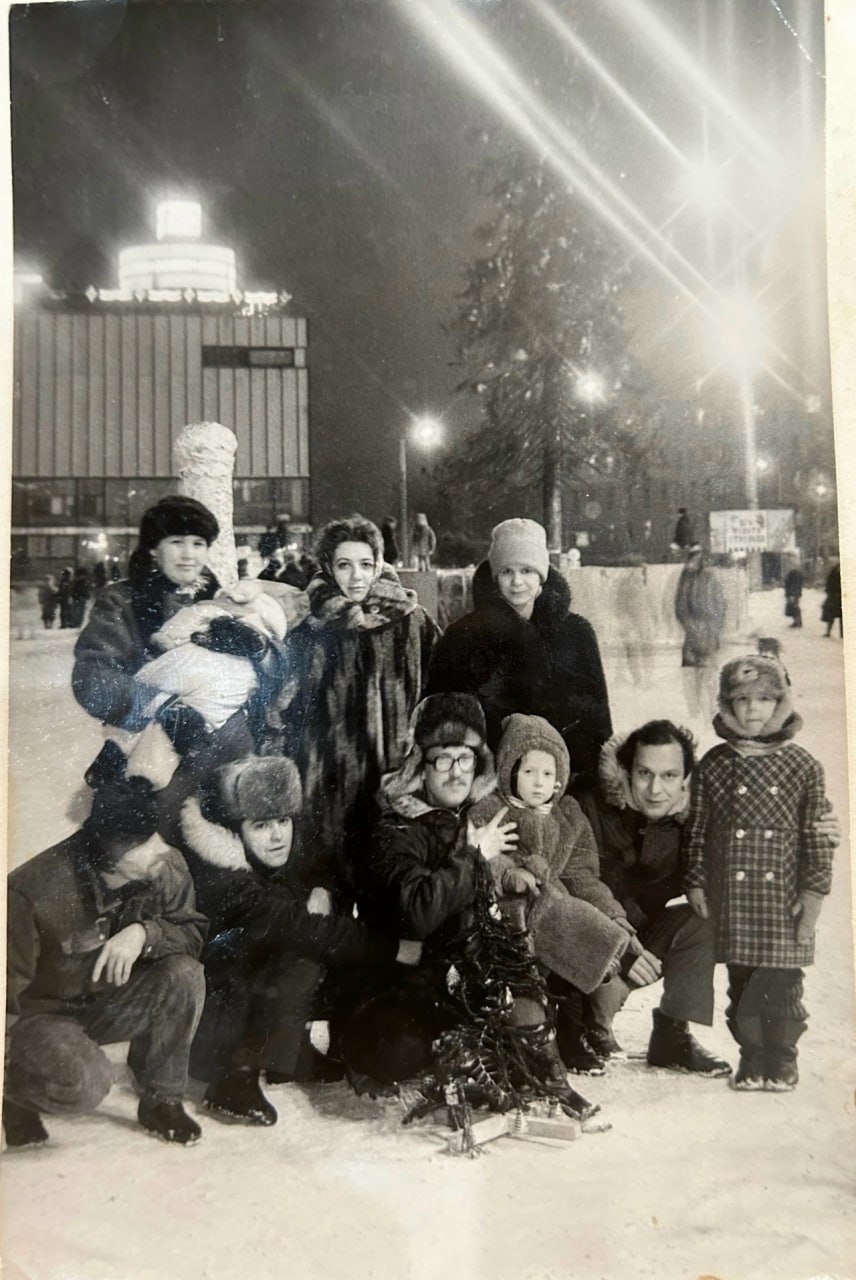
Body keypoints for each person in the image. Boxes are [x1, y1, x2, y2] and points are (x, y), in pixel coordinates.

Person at [342, 693, 600, 1120]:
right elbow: (417, 913)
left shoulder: (476, 816)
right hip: (400, 981)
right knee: (405, 1049)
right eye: (443, 759)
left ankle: (546, 1078)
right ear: (420, 765)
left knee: (513, 1011)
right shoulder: (395, 828)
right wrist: (474, 858)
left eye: (465, 759)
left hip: (460, 977)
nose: (456, 772)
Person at [178, 755, 422, 1126]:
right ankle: (234, 1081)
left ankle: (290, 1056)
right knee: (307, 951)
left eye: (283, 820)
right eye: (261, 825)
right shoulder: (230, 880)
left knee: (321, 943)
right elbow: (298, 927)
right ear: (235, 829)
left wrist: (320, 888)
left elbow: (324, 863)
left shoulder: (274, 856)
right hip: (212, 1032)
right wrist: (393, 948)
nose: (277, 835)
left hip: (241, 1005)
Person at [4, 766, 207, 1149]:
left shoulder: (165, 865)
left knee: (185, 973)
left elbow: (192, 935)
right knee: (86, 1085)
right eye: (144, 843)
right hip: (41, 1017)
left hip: (106, 1001)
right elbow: (5, 996)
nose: (161, 849)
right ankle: (13, 1095)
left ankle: (161, 1100)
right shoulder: (30, 892)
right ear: (113, 856)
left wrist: (145, 933)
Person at [271, 514, 440, 899]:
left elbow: (441, 695)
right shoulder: (310, 631)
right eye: (344, 565)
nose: (356, 577)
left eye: (365, 564)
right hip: (328, 792)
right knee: (332, 895)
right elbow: (282, 711)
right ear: (328, 567)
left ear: (379, 564)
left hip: (396, 784)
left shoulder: (413, 623)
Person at [684, 656, 832, 1091]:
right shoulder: (714, 764)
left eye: (765, 699)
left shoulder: (804, 766)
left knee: (784, 984)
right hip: (735, 898)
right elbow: (697, 830)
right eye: (742, 699)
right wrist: (695, 879)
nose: (753, 709)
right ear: (727, 704)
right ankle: (751, 1056)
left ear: (781, 702)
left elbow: (817, 836)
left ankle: (782, 1057)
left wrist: (814, 892)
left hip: (783, 899)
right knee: (743, 984)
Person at [467, 713, 631, 1072]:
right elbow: (482, 856)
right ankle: (529, 1040)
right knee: (537, 955)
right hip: (509, 908)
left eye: (547, 773)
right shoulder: (492, 809)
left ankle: (573, 1026)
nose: (539, 782)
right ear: (510, 770)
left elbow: (582, 874)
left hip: (551, 902)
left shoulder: (567, 816)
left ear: (559, 778)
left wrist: (610, 910)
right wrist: (508, 874)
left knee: (569, 919)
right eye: (529, 771)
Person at [576, 720, 731, 1076]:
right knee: (598, 993)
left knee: (701, 923)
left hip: (642, 937)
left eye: (669, 776)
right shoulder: (590, 806)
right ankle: (582, 1026)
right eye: (644, 773)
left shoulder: (692, 820)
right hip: (589, 939)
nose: (655, 789)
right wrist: (620, 948)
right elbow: (574, 889)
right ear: (626, 771)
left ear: (686, 779)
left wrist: (810, 829)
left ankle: (671, 1037)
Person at [427, 517, 611, 787]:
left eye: (527, 570)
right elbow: (442, 726)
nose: (517, 582)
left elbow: (599, 725)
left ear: (542, 576)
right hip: (487, 787)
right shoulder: (461, 638)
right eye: (507, 572)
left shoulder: (577, 635)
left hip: (565, 786)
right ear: (495, 577)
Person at [674, 544, 726, 725]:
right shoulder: (685, 579)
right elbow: (680, 607)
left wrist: (715, 630)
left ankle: (710, 712)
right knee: (691, 675)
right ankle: (694, 711)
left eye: (698, 557)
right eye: (692, 557)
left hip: (709, 633)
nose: (694, 561)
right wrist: (690, 627)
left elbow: (720, 606)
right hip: (692, 635)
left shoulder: (711, 578)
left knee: (709, 676)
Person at [821, 561, 842, 637]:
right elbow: (829, 581)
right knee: (830, 614)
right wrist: (828, 591)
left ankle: (843, 634)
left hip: (842, 596)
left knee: (843, 616)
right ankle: (828, 632)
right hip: (833, 595)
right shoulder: (834, 569)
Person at [783, 559, 803, 629]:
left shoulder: (795, 573)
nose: (789, 566)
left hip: (793, 594)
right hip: (792, 593)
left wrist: (793, 594)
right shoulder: (793, 572)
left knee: (794, 607)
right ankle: (796, 622)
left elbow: (796, 585)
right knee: (792, 608)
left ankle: (798, 622)